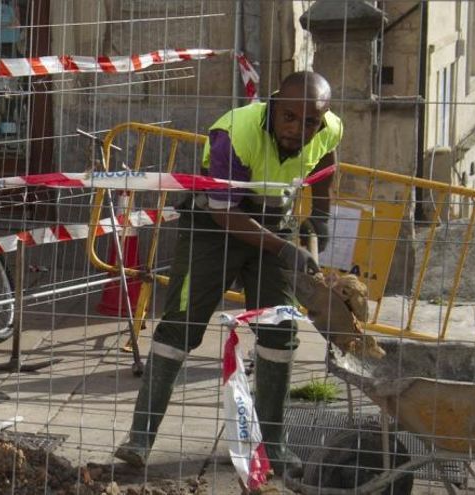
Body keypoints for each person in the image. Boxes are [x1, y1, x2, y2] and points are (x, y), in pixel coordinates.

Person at [114, 71, 342, 475]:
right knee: (180, 326)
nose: (299, 129)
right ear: (274, 105)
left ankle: (274, 445)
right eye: (289, 117)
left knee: (280, 331)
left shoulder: (327, 128)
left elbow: (326, 160)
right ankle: (139, 440)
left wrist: (319, 219)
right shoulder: (234, 133)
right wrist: (283, 248)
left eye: (310, 122)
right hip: (215, 227)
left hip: (276, 222)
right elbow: (223, 211)